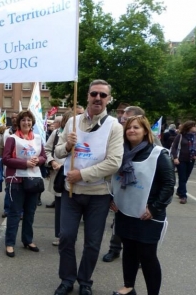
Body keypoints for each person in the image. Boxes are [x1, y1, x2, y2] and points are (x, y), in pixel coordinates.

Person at [54, 79, 124, 295]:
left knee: (92, 243)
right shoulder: (72, 122)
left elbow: (114, 162)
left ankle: (85, 281)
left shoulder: (114, 126)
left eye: (103, 95)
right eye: (94, 93)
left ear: (108, 99)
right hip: (71, 193)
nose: (98, 98)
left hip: (98, 195)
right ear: (87, 96)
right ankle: (67, 279)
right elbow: (56, 152)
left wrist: (82, 174)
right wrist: (67, 145)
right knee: (66, 236)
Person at [111, 115, 174, 295]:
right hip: (124, 212)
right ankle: (128, 286)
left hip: (148, 214)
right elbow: (110, 178)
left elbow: (169, 184)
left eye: (136, 127)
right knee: (129, 251)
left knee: (147, 255)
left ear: (145, 131)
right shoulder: (119, 154)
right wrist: (111, 198)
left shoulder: (159, 154)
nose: (131, 130)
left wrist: (154, 208)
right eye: (129, 127)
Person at [3, 110, 46, 258]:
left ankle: (27, 240)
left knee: (30, 212)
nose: (26, 123)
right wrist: (25, 163)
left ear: (32, 122)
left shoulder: (38, 138)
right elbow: (6, 159)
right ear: (19, 123)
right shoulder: (12, 138)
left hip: (33, 180)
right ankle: (10, 243)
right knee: (15, 213)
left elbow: (43, 156)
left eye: (29, 120)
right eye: (23, 120)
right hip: (17, 180)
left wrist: (37, 161)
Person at [45, 112, 72, 247]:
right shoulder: (56, 133)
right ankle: (60, 236)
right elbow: (47, 150)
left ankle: (70, 235)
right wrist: (52, 162)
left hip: (78, 178)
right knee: (60, 208)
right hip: (60, 177)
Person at [170, 120, 196, 204]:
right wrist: (175, 158)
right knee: (182, 178)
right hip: (181, 160)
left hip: (191, 160)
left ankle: (180, 190)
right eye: (194, 126)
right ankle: (183, 196)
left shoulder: (195, 137)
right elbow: (174, 148)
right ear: (189, 127)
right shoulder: (180, 136)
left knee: (186, 177)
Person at [0, 112, 18, 218]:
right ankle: (7, 209)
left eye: (16, 118)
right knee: (8, 187)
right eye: (13, 118)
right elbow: (1, 147)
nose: (14, 119)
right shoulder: (6, 132)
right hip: (8, 163)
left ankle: (20, 211)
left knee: (20, 189)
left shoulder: (23, 131)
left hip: (20, 163)